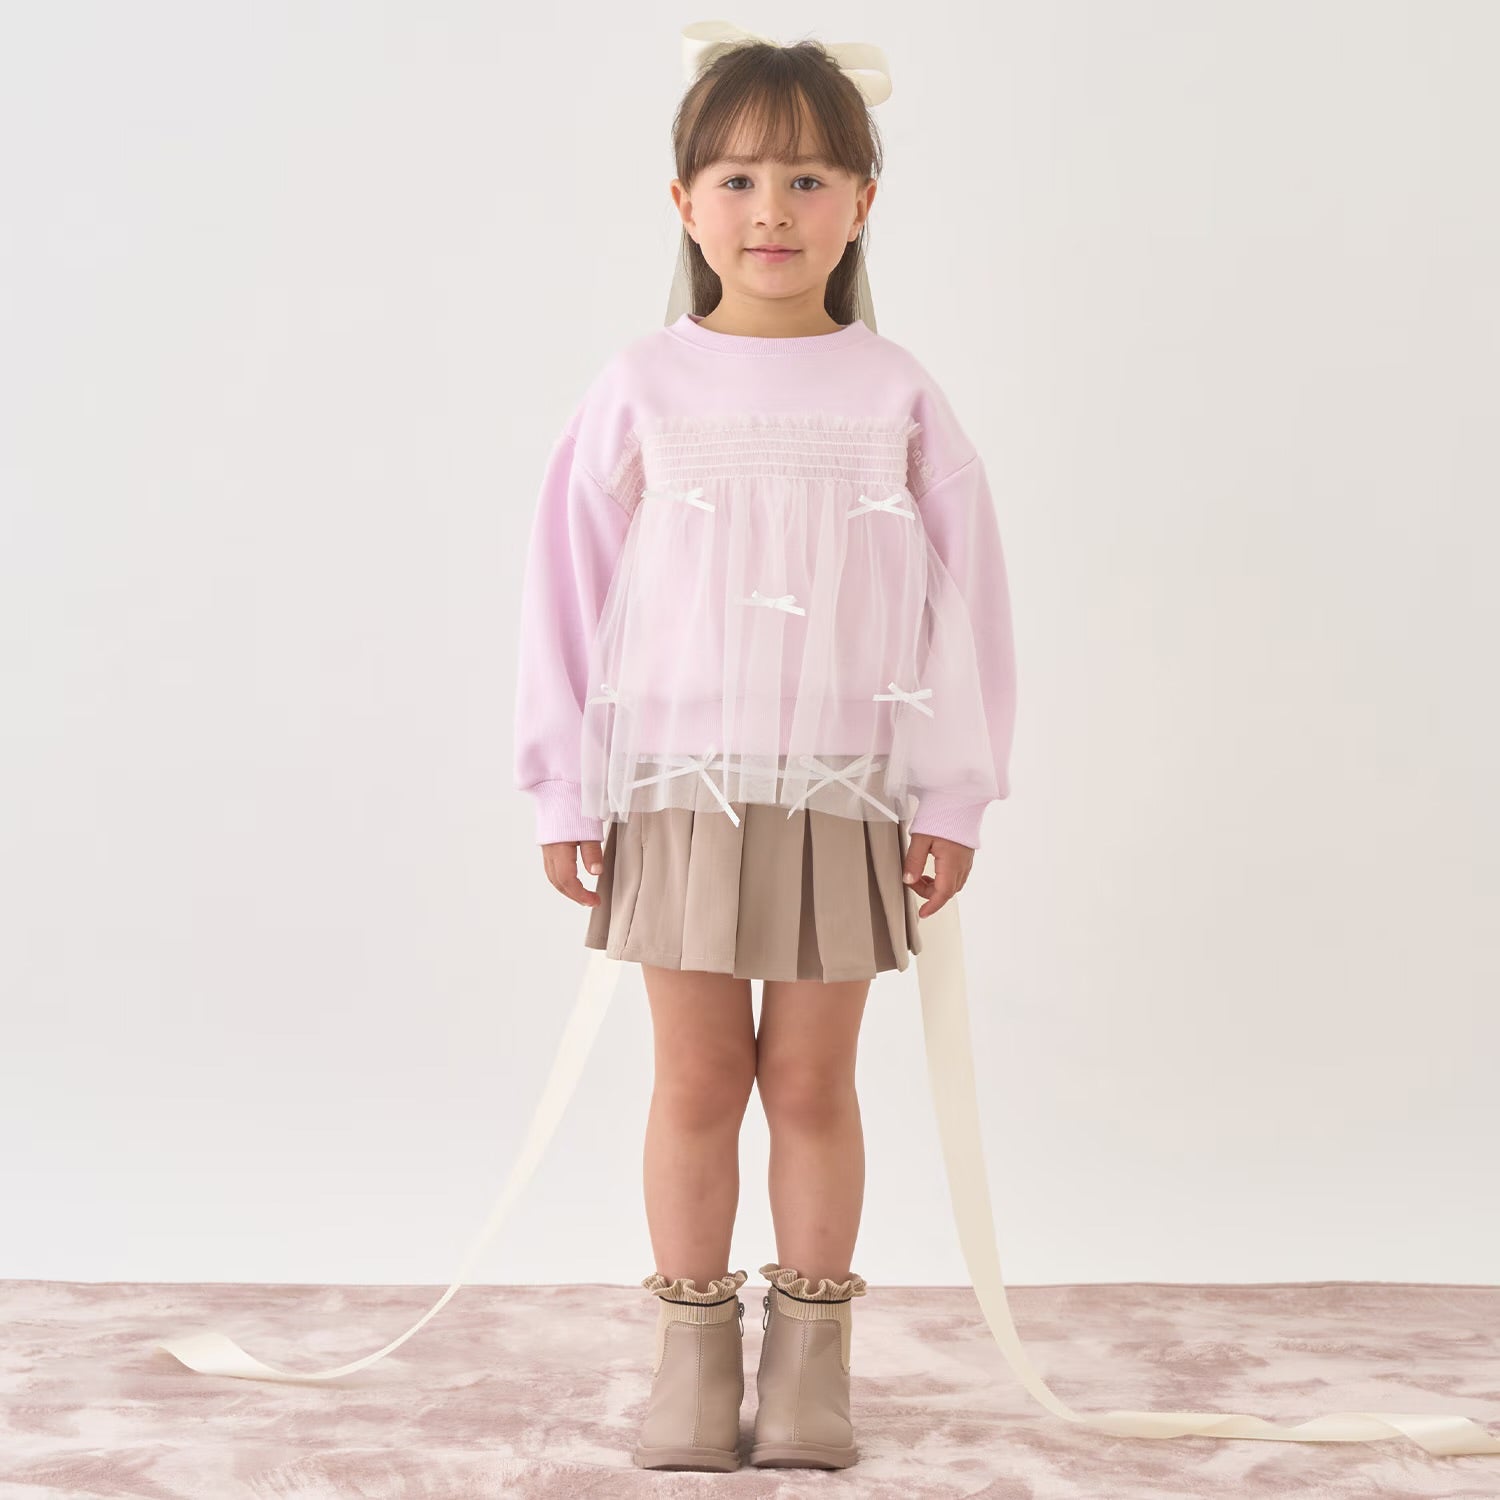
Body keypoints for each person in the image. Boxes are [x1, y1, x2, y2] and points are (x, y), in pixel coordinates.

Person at [512, 32, 1016, 1474]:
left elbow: (969, 605)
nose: (772, 211)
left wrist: (955, 790)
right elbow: (566, 591)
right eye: (737, 179)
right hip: (679, 791)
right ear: (684, 202)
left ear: (864, 201)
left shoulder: (896, 392)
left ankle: (808, 1370)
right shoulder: (641, 386)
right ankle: (689, 1363)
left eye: (807, 177)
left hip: (842, 792)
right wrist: (563, 785)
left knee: (808, 1084)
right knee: (695, 1083)